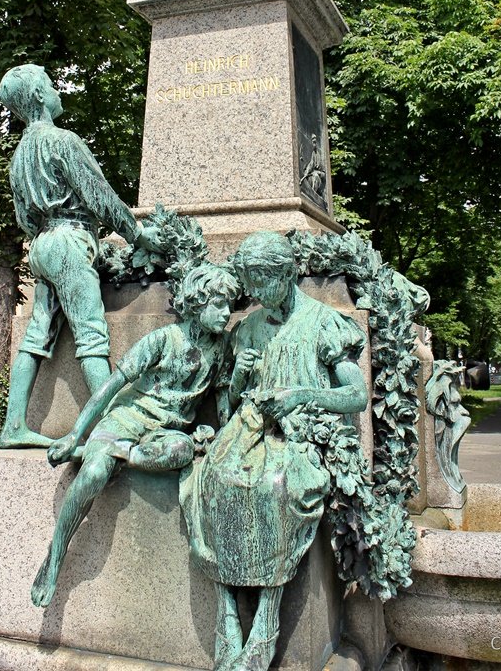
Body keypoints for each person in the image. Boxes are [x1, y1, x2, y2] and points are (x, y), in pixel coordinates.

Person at [180, 232, 368, 671]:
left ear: (286, 274)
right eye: (252, 284)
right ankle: (227, 616)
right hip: (246, 430)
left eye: (264, 283)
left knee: (275, 489)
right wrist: (241, 380)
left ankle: (265, 619)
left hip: (300, 434)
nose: (258, 294)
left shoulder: (323, 323)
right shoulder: (247, 328)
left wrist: (301, 395)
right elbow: (229, 404)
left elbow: (356, 395)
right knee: (212, 483)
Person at [30, 262, 240, 608]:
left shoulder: (221, 350)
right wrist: (73, 435)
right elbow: (111, 388)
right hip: (127, 419)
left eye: (229, 305)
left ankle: (115, 453)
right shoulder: (163, 339)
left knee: (182, 449)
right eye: (219, 303)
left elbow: (221, 400)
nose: (226, 313)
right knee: (94, 473)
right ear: (199, 302)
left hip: (164, 433)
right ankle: (55, 556)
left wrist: (225, 436)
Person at [0, 63, 152, 449]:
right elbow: (100, 196)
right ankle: (111, 425)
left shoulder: (19, 157)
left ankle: (14, 425)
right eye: (50, 85)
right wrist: (139, 235)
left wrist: (46, 237)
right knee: (91, 334)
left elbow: (24, 217)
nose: (56, 90)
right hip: (69, 240)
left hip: (43, 244)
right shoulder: (62, 141)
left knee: (36, 336)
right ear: (37, 96)